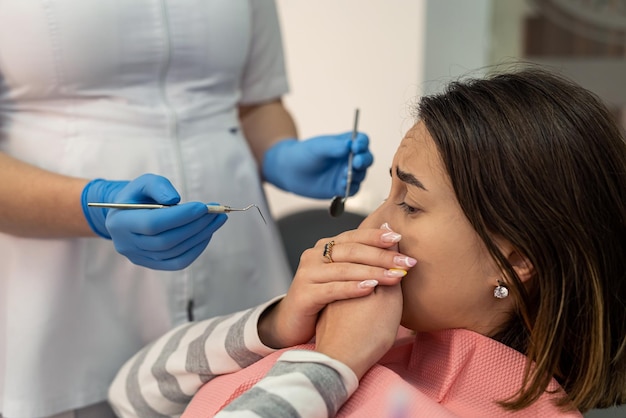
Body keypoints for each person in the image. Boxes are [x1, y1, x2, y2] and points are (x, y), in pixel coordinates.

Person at [108, 66, 626, 417]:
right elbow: (134, 392)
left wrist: (330, 367)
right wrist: (279, 323)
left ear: (513, 258)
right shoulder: (379, 338)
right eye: (389, 192)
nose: (369, 225)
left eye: (411, 204)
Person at [0, 1, 373, 417]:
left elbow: (255, 102)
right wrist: (92, 206)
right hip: (63, 290)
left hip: (236, 273)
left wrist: (278, 153)